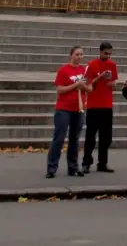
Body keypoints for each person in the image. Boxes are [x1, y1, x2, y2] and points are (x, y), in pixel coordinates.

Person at [47, 45, 92, 178]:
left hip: (78, 109)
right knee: (59, 139)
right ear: (71, 55)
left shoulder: (84, 71)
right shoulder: (63, 70)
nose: (79, 57)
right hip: (64, 109)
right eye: (77, 54)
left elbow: (90, 89)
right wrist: (75, 85)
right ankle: (51, 168)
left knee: (74, 139)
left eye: (81, 55)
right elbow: (60, 89)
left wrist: (83, 86)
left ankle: (73, 167)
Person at [81, 41, 119, 174]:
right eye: (105, 53)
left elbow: (114, 81)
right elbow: (88, 85)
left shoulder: (112, 65)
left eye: (109, 53)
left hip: (107, 105)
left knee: (106, 137)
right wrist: (100, 77)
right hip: (94, 105)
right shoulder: (92, 65)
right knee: (90, 136)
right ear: (100, 51)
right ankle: (86, 162)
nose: (107, 56)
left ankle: (102, 163)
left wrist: (113, 84)